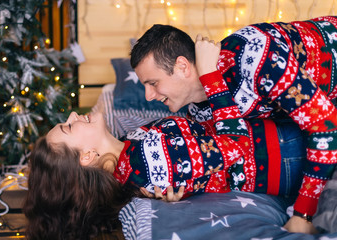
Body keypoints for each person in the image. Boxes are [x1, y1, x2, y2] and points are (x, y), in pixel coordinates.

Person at [130, 16, 337, 233]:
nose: (148, 96)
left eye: (153, 84)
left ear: (182, 66)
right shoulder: (200, 110)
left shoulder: (254, 58)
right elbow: (226, 152)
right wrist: (180, 186)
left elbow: (325, 126)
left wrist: (304, 214)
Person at [24, 109, 315, 239]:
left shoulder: (131, 154)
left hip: (274, 139)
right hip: (281, 152)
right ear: (86, 157)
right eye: (69, 127)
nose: (74, 116)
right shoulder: (144, 162)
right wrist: (212, 78)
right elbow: (233, 146)